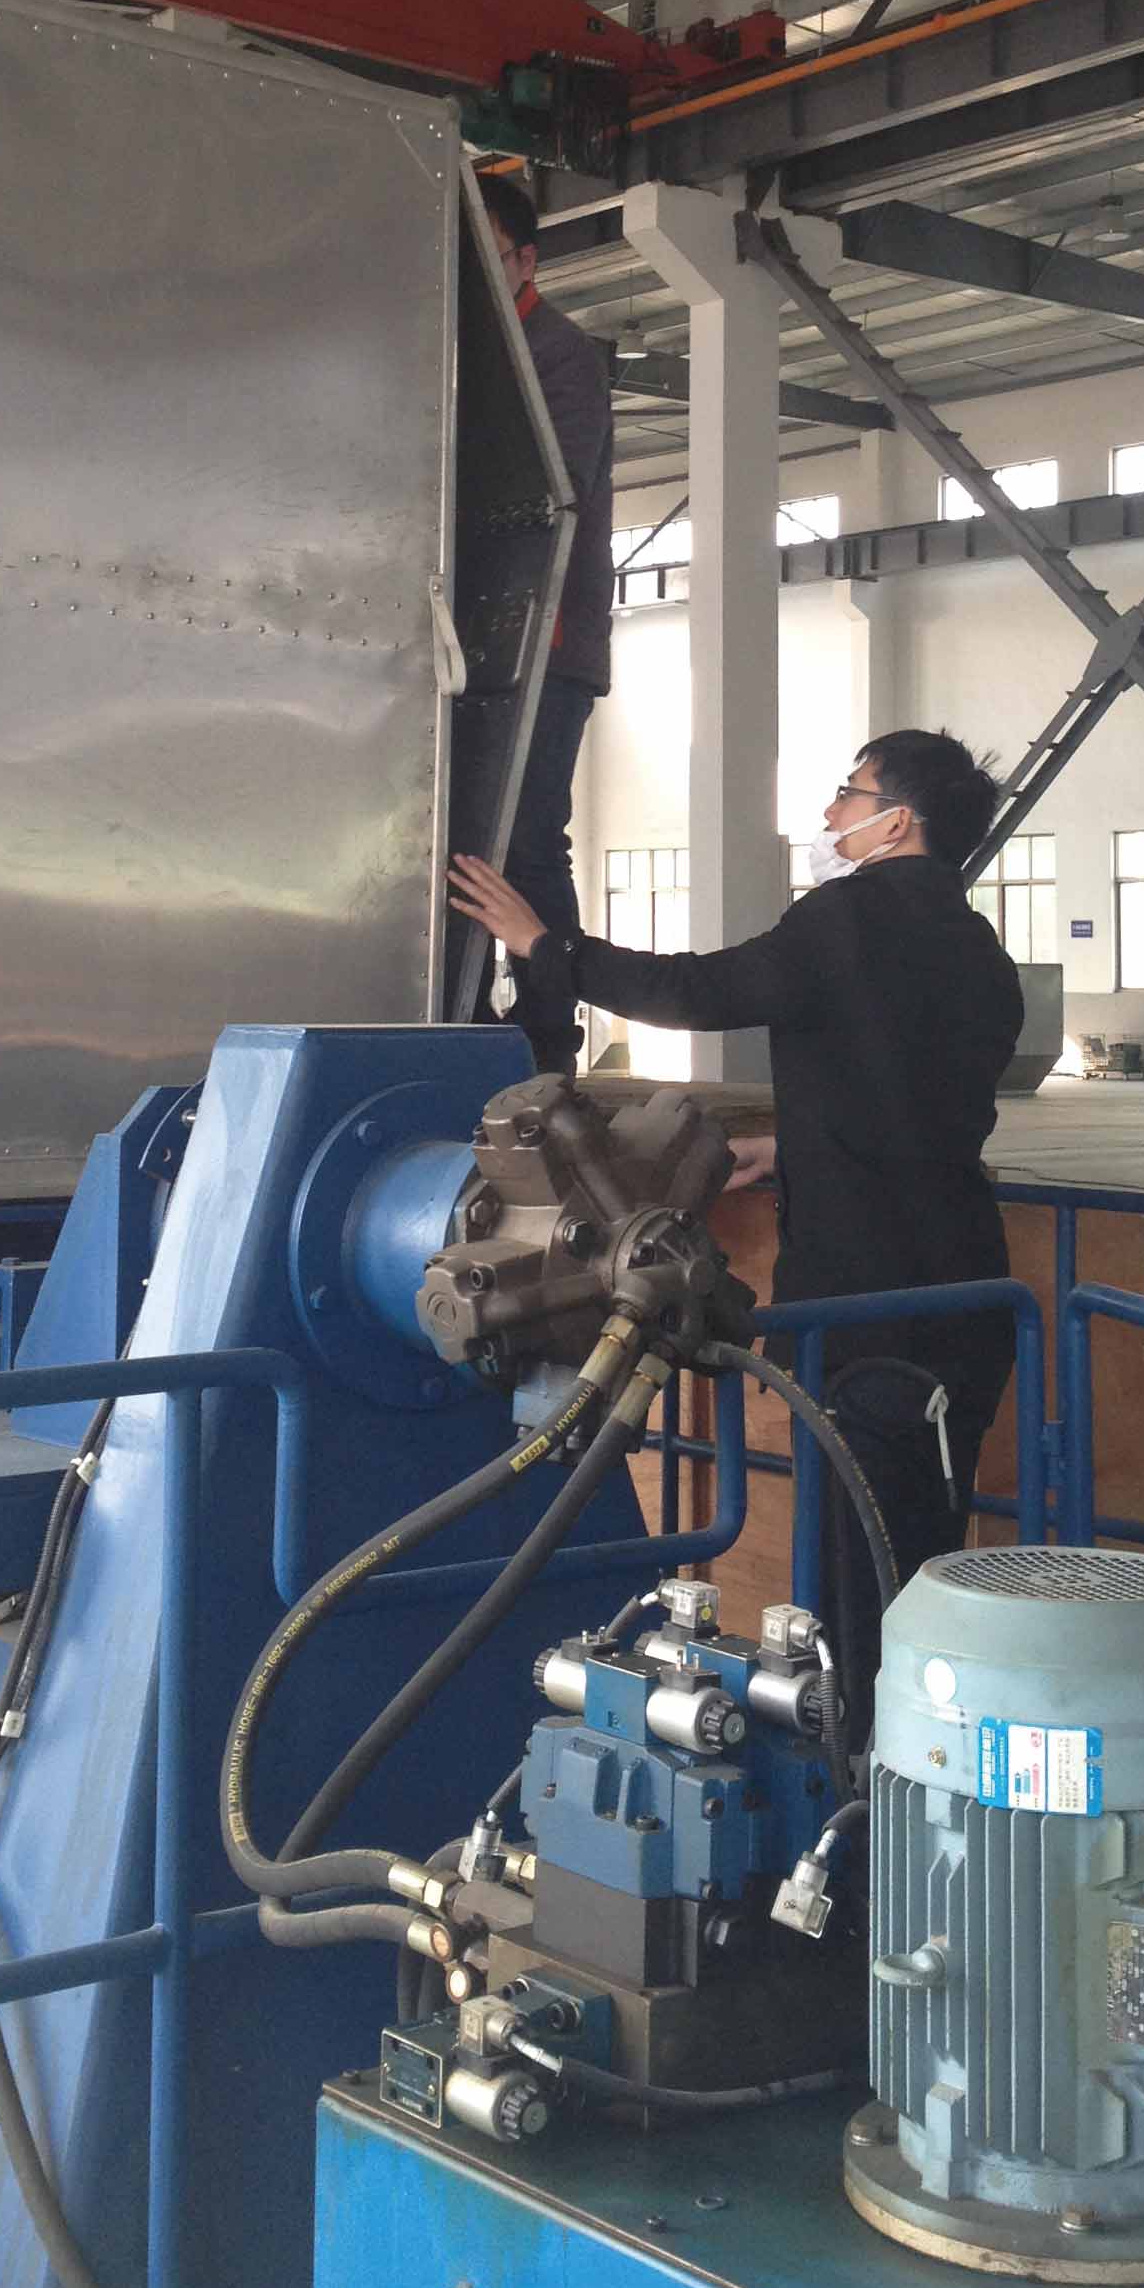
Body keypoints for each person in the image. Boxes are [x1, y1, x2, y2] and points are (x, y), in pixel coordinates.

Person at [450, 730, 1025, 1719]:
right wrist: (798, 1150)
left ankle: (860, 1757)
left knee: (858, 1552)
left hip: (866, 1298)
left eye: (850, 793)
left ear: (899, 823)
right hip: (967, 1288)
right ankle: (916, 1748)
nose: (833, 814)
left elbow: (694, 992)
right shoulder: (982, 950)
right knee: (927, 1532)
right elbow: (919, 1101)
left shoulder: (846, 920)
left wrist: (548, 946)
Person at [477, 177, 613, 1072]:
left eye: (489, 256)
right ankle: (470, 1014)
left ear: (526, 260)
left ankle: (550, 1032)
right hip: (483, 638)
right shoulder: (471, 349)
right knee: (468, 845)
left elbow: (548, 484)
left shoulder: (558, 355)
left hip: (550, 643)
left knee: (529, 840)